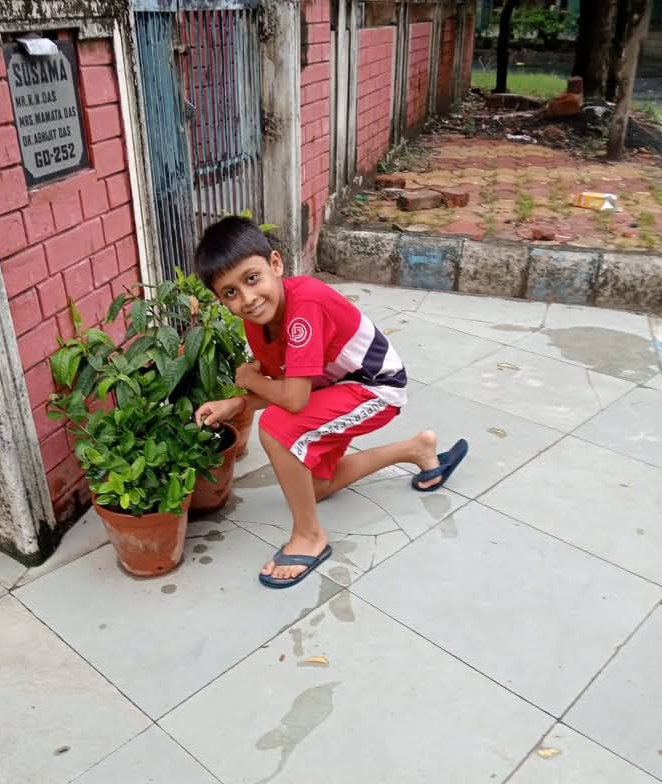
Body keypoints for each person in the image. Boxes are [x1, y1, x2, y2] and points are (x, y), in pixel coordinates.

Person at [193, 216, 468, 588]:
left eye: (252, 278)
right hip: (333, 389)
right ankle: (417, 449)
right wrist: (236, 404)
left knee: (276, 429)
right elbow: (283, 385)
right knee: (316, 487)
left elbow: (293, 399)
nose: (247, 299)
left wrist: (248, 379)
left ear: (276, 264)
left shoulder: (305, 305)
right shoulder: (258, 321)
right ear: (220, 299)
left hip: (376, 388)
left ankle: (309, 537)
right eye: (230, 293)